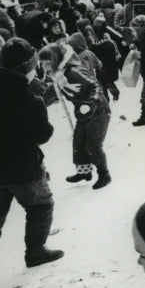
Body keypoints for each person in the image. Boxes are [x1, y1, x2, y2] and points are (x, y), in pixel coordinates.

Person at [0, 37, 64, 269]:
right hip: (23, 170)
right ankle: (35, 251)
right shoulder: (28, 97)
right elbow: (42, 135)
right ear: (27, 67)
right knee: (40, 207)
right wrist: (43, 102)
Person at [38, 43, 111, 190]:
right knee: (78, 143)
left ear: (56, 61)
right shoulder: (59, 77)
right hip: (82, 113)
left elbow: (95, 86)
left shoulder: (74, 72)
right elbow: (49, 94)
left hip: (98, 111)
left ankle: (104, 175)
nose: (45, 67)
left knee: (92, 145)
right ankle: (84, 172)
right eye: (43, 64)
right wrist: (37, 105)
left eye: (48, 63)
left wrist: (91, 103)